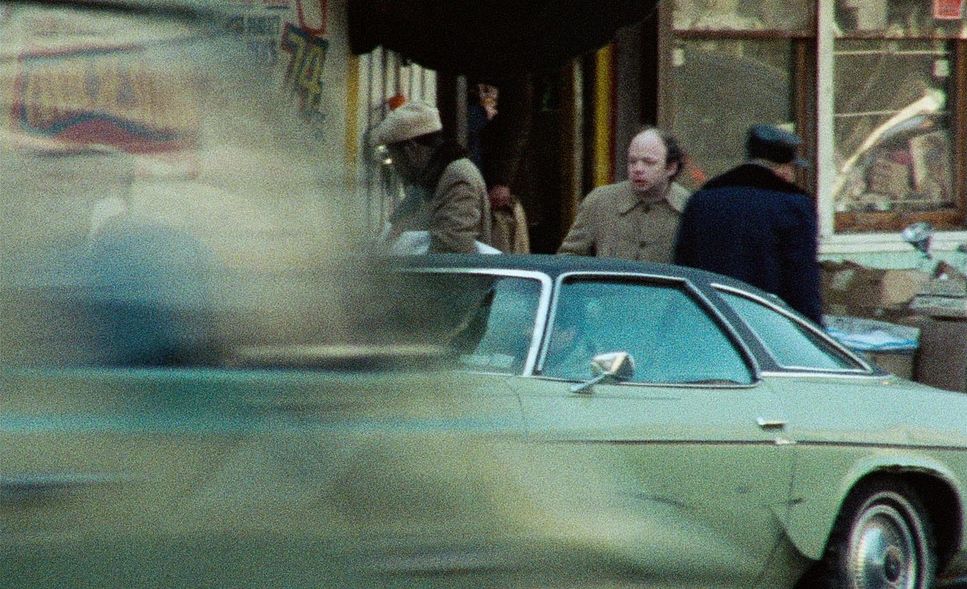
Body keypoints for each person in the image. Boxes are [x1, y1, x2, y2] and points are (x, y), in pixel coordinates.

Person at [673, 124, 823, 325]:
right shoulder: (794, 206)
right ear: (784, 170)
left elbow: (683, 268)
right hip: (769, 329)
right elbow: (802, 285)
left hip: (709, 324)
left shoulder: (702, 200)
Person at [371, 100, 492, 254]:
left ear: (411, 149)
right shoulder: (425, 182)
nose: (394, 164)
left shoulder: (457, 177)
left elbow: (451, 249)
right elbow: (393, 233)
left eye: (394, 155)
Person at [557, 126, 689, 262]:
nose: (638, 169)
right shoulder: (600, 200)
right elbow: (568, 258)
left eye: (648, 162)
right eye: (632, 161)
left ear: (671, 167)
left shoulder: (688, 207)